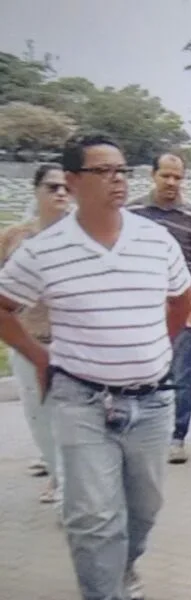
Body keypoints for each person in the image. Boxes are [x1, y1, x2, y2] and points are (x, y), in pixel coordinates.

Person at [0, 134, 191, 600]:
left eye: (121, 170)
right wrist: (38, 357)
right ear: (76, 181)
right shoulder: (45, 250)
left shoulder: (156, 241)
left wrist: (155, 343)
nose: (117, 179)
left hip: (152, 401)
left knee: (144, 506)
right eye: (103, 171)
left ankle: (123, 566)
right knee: (90, 514)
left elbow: (182, 300)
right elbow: (4, 305)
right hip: (81, 400)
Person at [128, 153, 191, 465]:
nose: (172, 182)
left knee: (180, 374)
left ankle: (177, 436)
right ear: (153, 175)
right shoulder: (130, 211)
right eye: (166, 176)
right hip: (138, 307)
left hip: (179, 306)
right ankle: (142, 432)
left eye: (178, 177)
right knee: (139, 372)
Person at [1, 163, 70, 503]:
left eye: (64, 188)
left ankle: (71, 487)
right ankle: (58, 477)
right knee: (39, 415)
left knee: (73, 418)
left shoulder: (81, 235)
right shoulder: (15, 237)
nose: (59, 193)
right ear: (37, 191)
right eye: (51, 187)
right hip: (29, 341)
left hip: (72, 342)